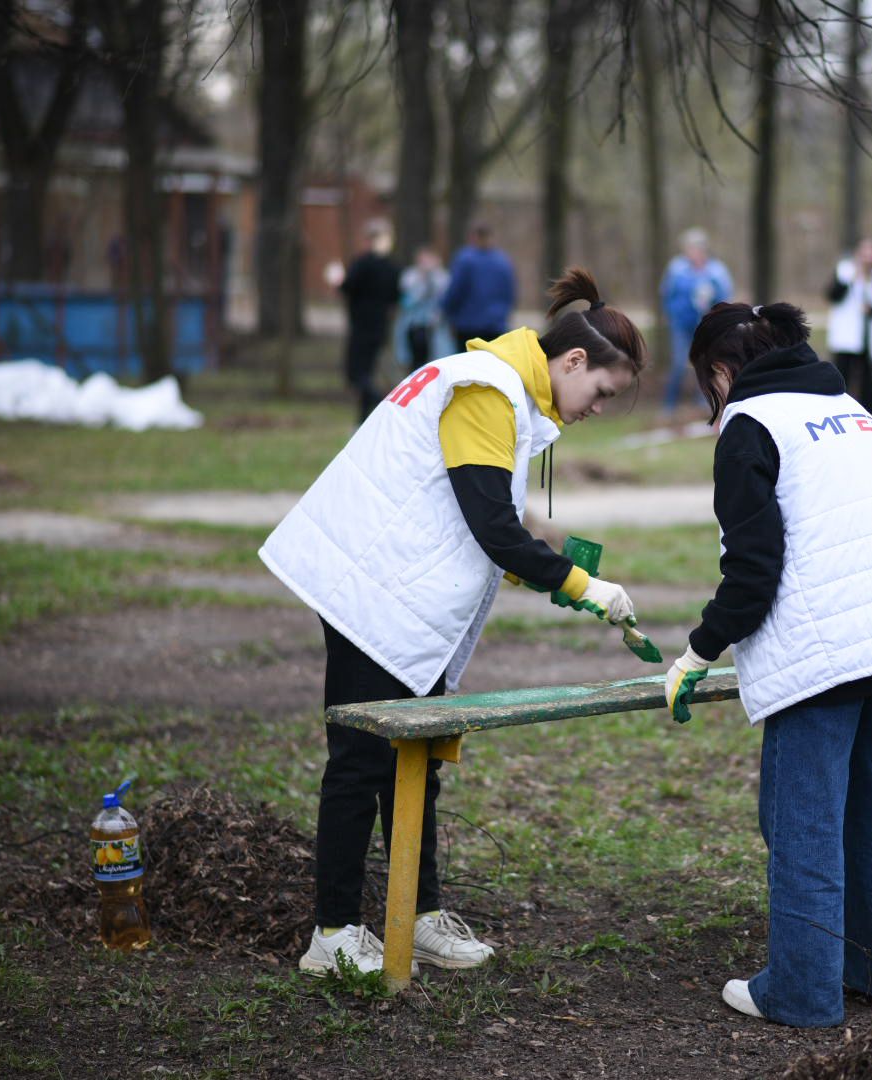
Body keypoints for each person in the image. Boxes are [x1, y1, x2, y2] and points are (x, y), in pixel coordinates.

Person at [259, 268, 649, 979]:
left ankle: (418, 911)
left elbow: (470, 512)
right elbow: (492, 524)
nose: (597, 408)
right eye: (601, 392)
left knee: (419, 759)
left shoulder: (504, 391)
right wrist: (580, 583)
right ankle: (334, 933)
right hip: (370, 590)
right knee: (360, 760)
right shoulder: (485, 389)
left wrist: (545, 569)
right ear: (572, 362)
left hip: (403, 592)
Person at [662, 301, 872, 1028]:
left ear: (722, 372)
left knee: (802, 822)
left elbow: (754, 570)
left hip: (827, 654)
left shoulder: (749, 425)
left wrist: (698, 650)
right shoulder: (849, 407)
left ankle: (801, 992)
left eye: (709, 384)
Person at [659, 228, 733, 424]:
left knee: (705, 364)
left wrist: (711, 298)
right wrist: (676, 313)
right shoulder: (677, 268)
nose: (694, 252)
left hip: (706, 327)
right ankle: (669, 405)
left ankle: (704, 405)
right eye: (690, 248)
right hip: (681, 325)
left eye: (698, 248)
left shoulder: (716, 271)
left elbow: (725, 299)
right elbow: (667, 295)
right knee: (679, 364)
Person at [340, 220, 404, 423]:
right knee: (367, 372)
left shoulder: (363, 263)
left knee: (355, 373)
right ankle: (362, 420)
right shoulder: (393, 267)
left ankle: (380, 402)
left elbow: (347, 287)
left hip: (361, 325)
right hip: (380, 325)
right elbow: (396, 296)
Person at [825, 238, 872, 416]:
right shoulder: (845, 272)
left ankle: (868, 415)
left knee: (869, 382)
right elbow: (833, 295)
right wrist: (852, 278)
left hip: (871, 340)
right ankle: (838, 412)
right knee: (843, 377)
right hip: (847, 337)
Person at [442, 223, 517, 345]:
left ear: (474, 237)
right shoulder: (503, 261)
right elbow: (510, 293)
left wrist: (447, 311)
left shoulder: (465, 259)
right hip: (496, 324)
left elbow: (455, 291)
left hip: (467, 324)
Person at [396, 246, 454, 369]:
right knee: (416, 360)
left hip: (435, 326)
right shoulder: (410, 277)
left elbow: (445, 300)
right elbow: (406, 302)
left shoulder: (442, 277)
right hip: (414, 325)